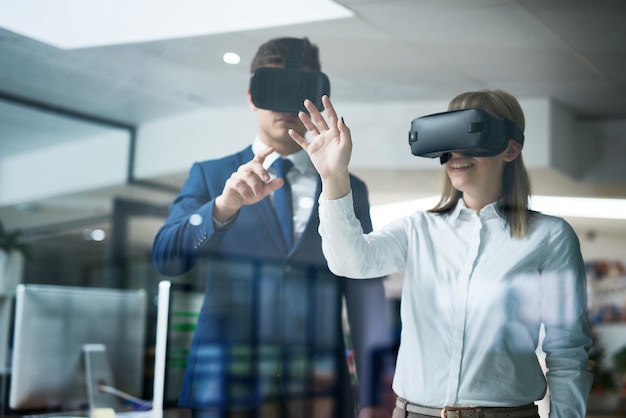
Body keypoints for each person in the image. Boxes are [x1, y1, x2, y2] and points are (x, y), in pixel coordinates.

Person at [288, 91, 593, 418]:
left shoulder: (549, 237)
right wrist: (334, 178)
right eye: (448, 137)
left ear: (510, 149)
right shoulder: (418, 229)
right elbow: (349, 261)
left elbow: (567, 351)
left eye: (471, 134)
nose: (456, 152)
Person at [152, 37, 392, 418]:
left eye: (296, 91)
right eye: (273, 89)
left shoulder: (347, 186)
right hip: (225, 386)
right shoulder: (211, 174)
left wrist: (377, 398)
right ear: (252, 95)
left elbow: (364, 293)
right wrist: (222, 206)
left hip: (318, 391)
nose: (284, 105)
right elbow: (166, 257)